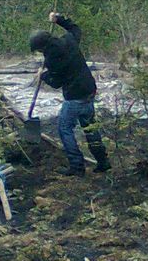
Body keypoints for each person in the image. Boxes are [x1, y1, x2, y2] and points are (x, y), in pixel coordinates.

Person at [29, 12, 110, 177]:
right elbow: (75, 28)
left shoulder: (52, 58)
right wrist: (59, 19)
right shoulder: (69, 40)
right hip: (89, 90)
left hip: (74, 96)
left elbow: (56, 82)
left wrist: (42, 75)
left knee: (64, 128)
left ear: (42, 48)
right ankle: (103, 162)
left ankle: (76, 166)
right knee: (89, 127)